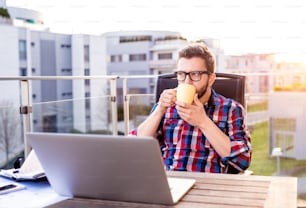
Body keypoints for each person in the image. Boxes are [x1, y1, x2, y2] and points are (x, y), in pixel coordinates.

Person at [130, 43, 252, 173]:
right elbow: (135, 148)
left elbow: (242, 160)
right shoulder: (166, 107)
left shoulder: (231, 109)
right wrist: (159, 110)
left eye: (195, 74)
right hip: (170, 182)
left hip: (208, 186)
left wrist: (203, 122)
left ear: (211, 79)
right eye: (181, 74)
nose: (187, 81)